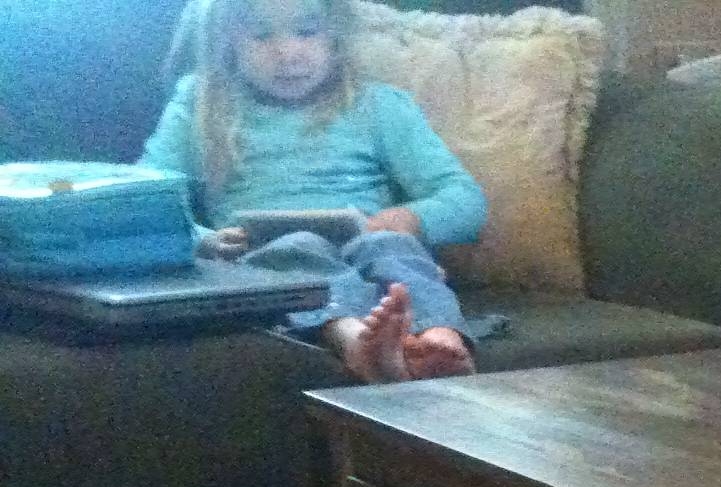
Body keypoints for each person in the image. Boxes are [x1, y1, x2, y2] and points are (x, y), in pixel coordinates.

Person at [139, 0, 487, 382]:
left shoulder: (378, 104)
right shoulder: (201, 102)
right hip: (268, 255)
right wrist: (204, 240)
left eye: (307, 32)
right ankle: (357, 344)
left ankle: (440, 340)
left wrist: (410, 219)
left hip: (366, 242)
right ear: (227, 42)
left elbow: (465, 199)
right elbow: (145, 198)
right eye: (261, 35)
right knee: (299, 247)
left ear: (336, 37)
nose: (288, 53)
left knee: (395, 248)